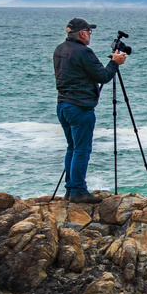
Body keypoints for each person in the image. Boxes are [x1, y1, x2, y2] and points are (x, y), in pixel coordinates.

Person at [53, 18, 127, 204]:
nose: (90, 35)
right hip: (79, 107)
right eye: (89, 31)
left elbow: (78, 72)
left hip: (63, 105)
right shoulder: (84, 52)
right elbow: (102, 76)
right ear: (82, 33)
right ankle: (78, 190)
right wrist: (115, 62)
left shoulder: (59, 49)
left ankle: (71, 188)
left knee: (72, 147)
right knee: (82, 149)